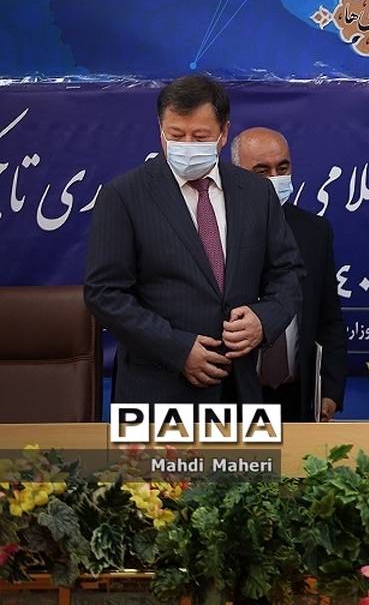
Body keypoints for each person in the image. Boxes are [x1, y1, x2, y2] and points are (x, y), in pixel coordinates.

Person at [84, 74, 304, 406]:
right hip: (156, 390)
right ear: (160, 130)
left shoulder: (257, 193)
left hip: (238, 390)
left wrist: (264, 320)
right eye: (176, 135)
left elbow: (288, 272)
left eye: (200, 137)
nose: (187, 145)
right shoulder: (124, 195)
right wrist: (176, 348)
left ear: (223, 133)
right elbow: (104, 293)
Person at [232, 127, 348, 422]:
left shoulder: (315, 231)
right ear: (235, 175)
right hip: (233, 397)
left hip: (297, 397)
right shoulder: (217, 229)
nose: (275, 178)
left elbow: (329, 318)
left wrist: (330, 389)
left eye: (282, 168)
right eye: (262, 171)